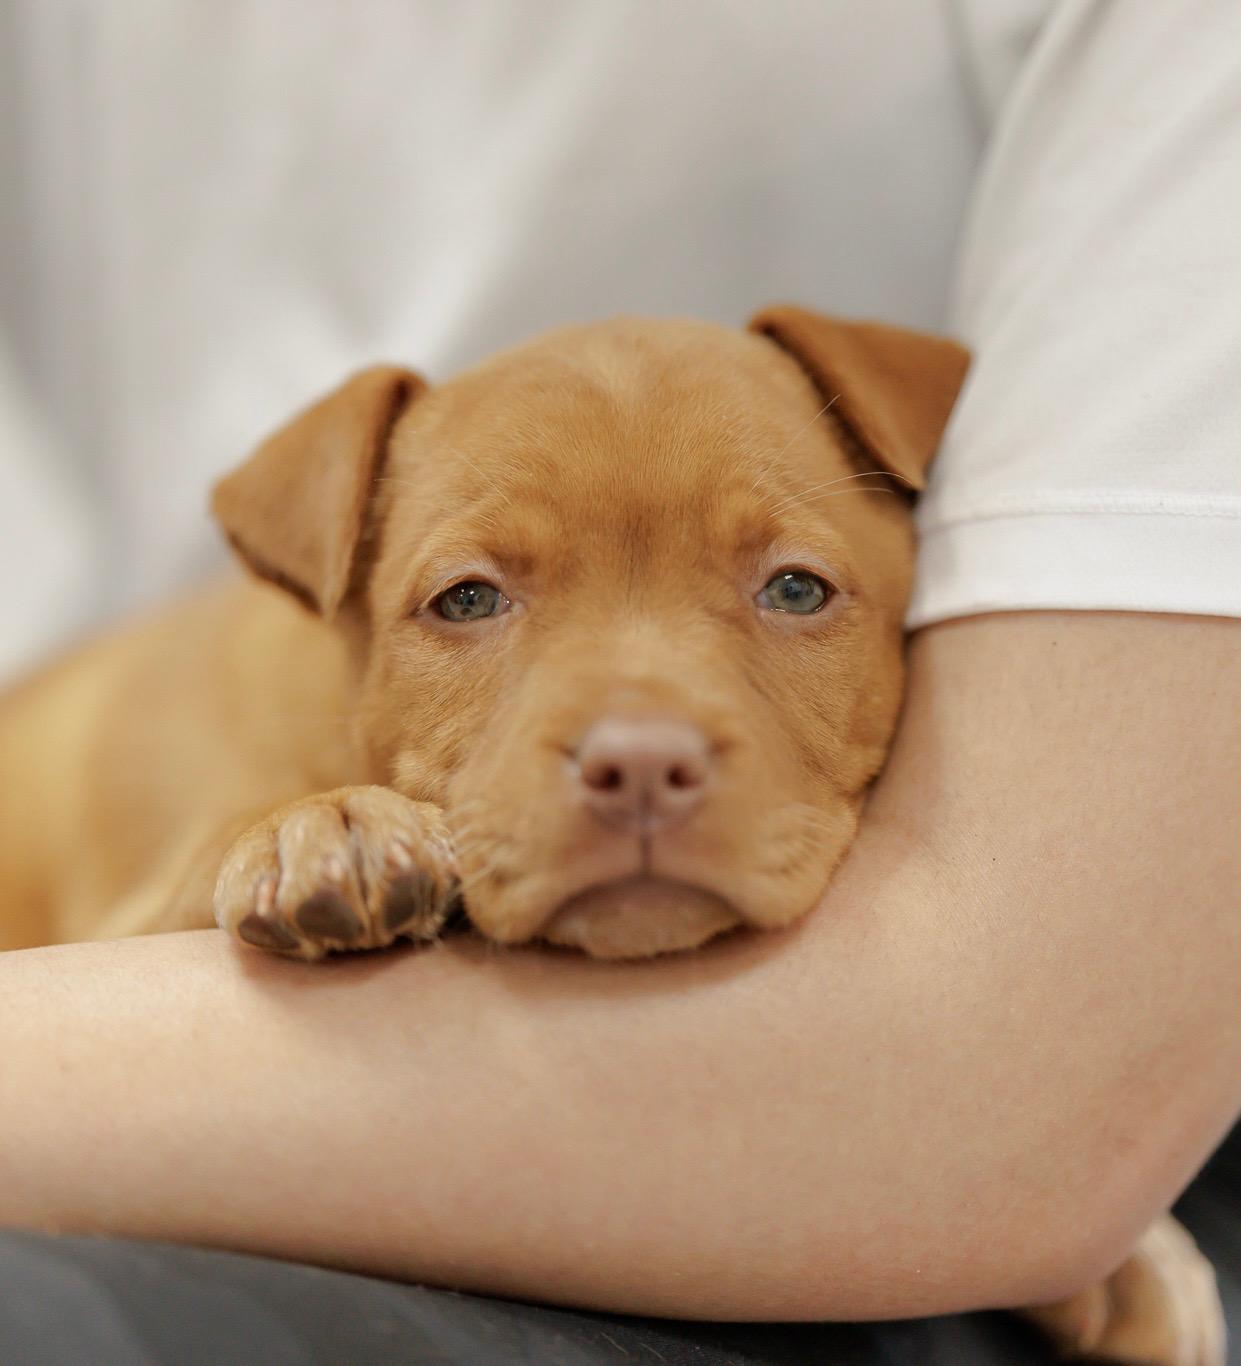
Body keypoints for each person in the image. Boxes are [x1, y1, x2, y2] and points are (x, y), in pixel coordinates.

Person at [0, 2, 1239, 1360]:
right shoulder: (228, 698)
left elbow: (1019, 1047)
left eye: (791, 588)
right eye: (471, 596)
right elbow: (133, 978)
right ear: (337, 591)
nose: (637, 740)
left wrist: (983, 1178)